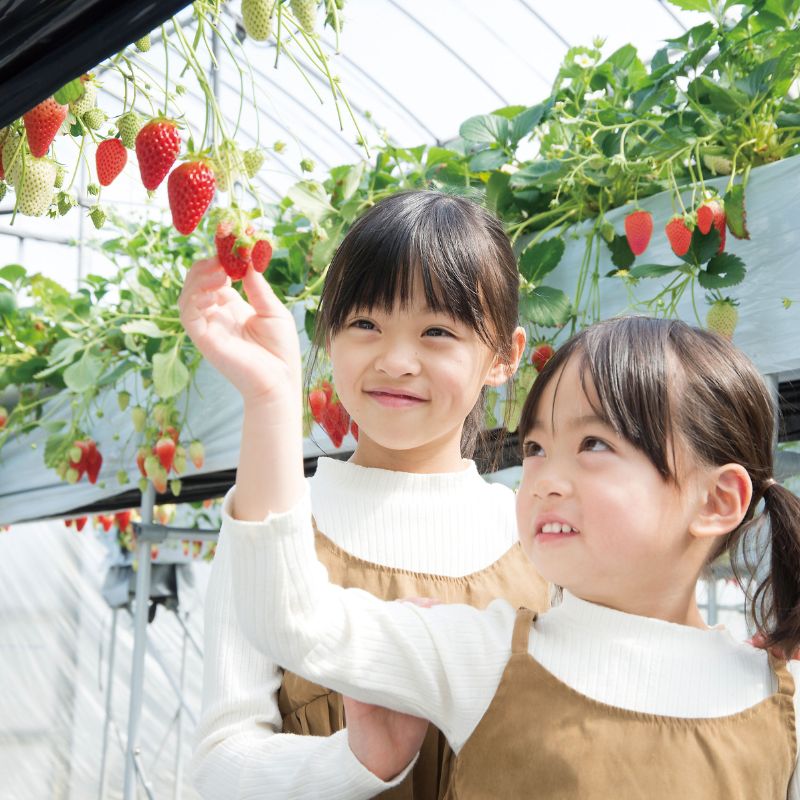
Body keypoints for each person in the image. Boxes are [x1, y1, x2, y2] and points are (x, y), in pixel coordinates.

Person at [217, 313, 800, 798]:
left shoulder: (782, 699)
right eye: (537, 448)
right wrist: (270, 402)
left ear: (717, 501)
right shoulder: (480, 651)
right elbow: (288, 618)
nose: (543, 480)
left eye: (594, 443)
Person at [182, 190, 550, 798]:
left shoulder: (540, 536)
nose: (396, 360)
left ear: (503, 357)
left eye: (437, 331)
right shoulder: (275, 521)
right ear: (329, 336)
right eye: (365, 324)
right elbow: (220, 763)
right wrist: (358, 761)